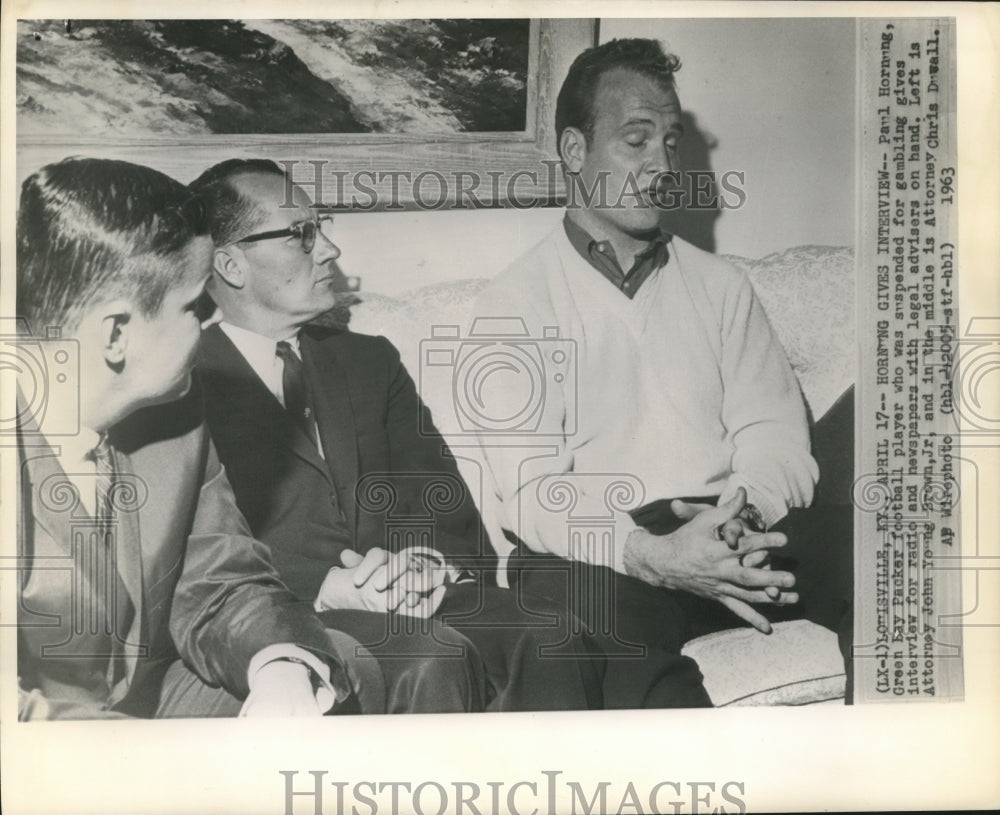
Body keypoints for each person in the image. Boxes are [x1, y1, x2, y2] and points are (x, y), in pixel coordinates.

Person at [15, 157, 485, 720]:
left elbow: (221, 583)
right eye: (190, 308)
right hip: (38, 738)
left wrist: (280, 665)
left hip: (144, 699)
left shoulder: (174, 424)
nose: (205, 328)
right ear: (116, 333)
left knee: (342, 664)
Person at [472, 38, 853, 708]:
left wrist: (743, 513)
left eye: (670, 142)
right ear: (573, 150)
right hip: (608, 552)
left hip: (731, 522)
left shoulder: (721, 286)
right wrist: (653, 554)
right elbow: (531, 492)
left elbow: (774, 434)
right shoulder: (513, 304)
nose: (662, 165)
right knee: (574, 620)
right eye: (636, 140)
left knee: (893, 556)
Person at [188, 158, 604, 712]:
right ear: (230, 264)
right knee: (432, 656)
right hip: (285, 614)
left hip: (416, 599)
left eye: (321, 228)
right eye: (301, 234)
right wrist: (326, 586)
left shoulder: (367, 361)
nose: (329, 250)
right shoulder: (186, 380)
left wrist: (427, 566)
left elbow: (442, 502)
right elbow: (196, 553)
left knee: (552, 633)